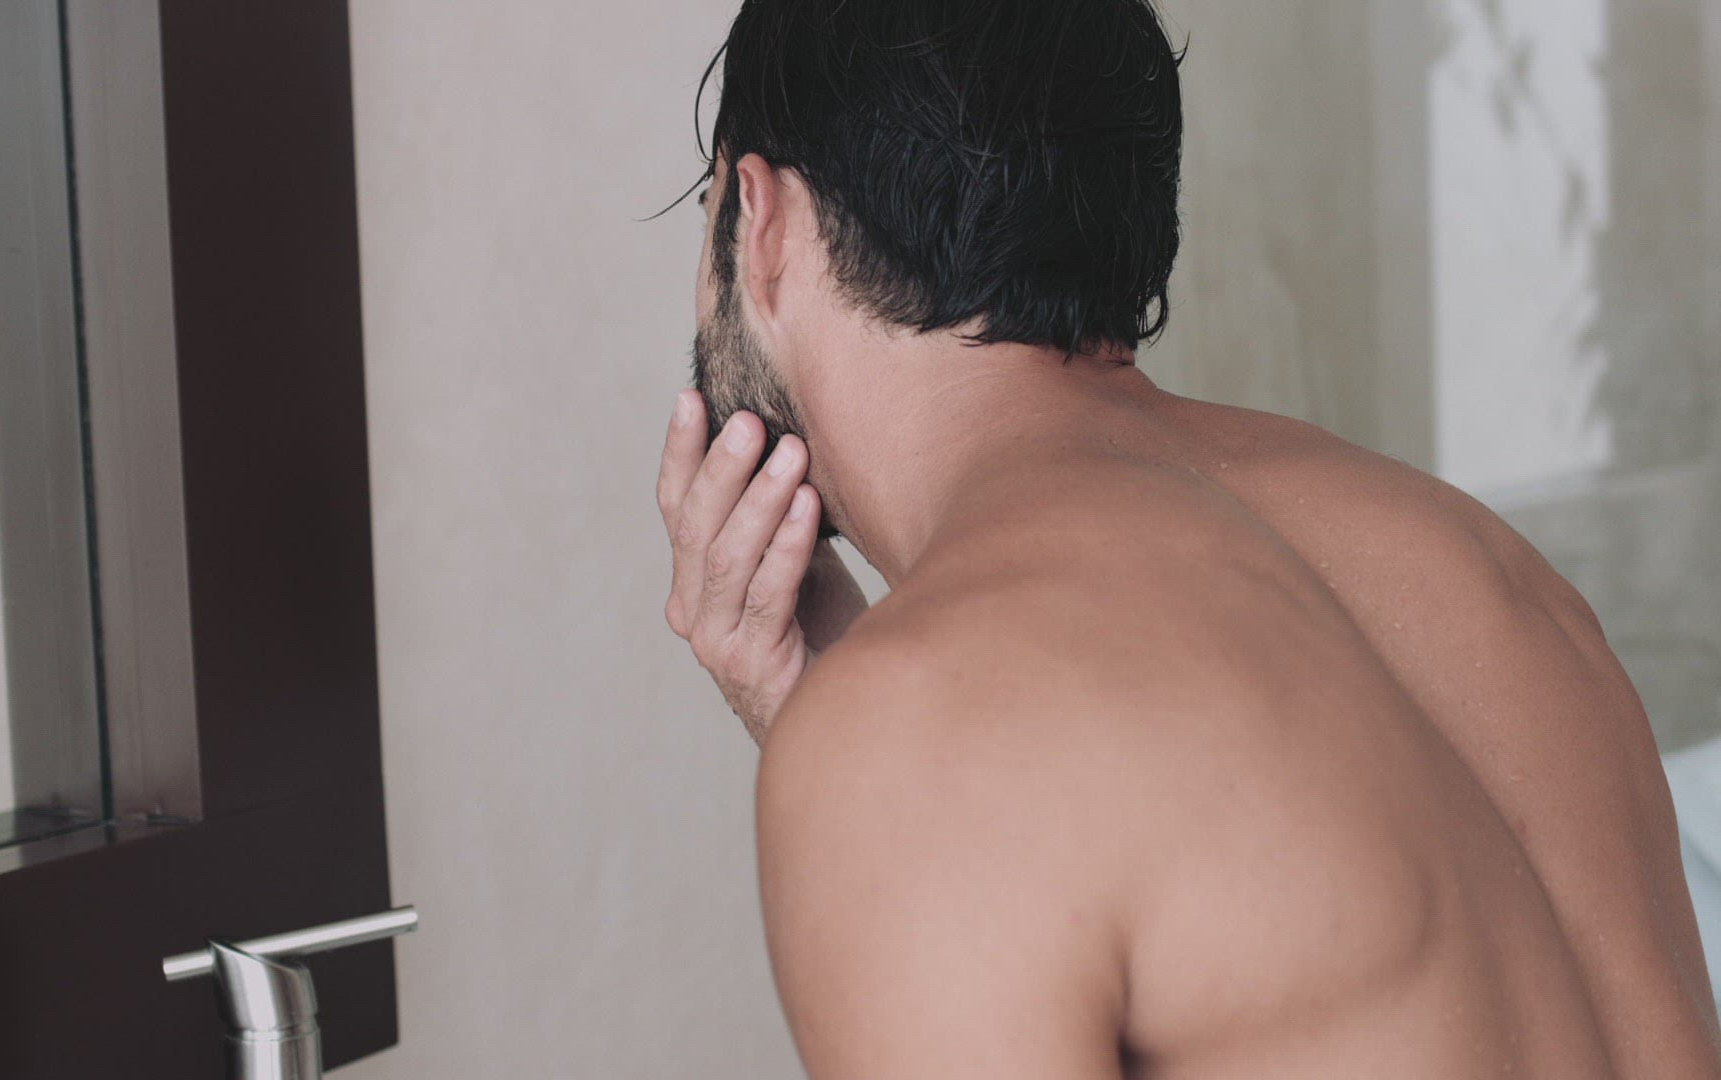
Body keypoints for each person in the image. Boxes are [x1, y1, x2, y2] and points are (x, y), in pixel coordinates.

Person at [651, 1, 1721, 1076]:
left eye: (708, 212)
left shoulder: (923, 732)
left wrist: (862, 751)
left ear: (762, 223)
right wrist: (830, 712)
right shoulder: (1490, 573)